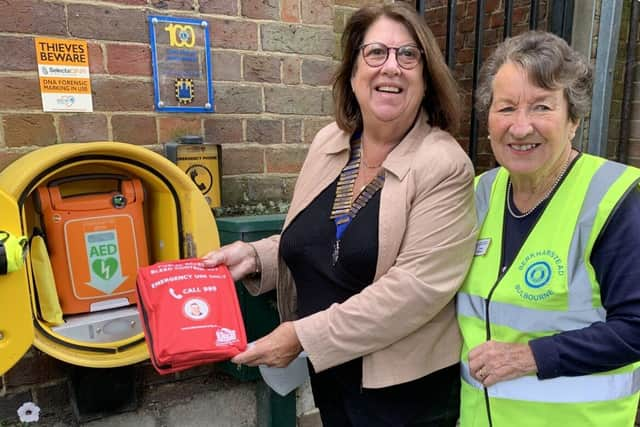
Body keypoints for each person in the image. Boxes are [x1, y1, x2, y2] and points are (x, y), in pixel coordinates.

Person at [203, 3, 477, 426]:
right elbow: (327, 240)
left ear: (426, 80)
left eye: (408, 55)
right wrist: (257, 256)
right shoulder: (331, 143)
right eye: (376, 53)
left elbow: (414, 290)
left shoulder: (444, 164)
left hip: (403, 394)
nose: (392, 67)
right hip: (332, 372)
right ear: (352, 72)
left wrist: (301, 336)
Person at [457, 31, 640, 427]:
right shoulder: (480, 194)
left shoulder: (612, 198)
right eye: (506, 108)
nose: (520, 128)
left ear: (573, 119)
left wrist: (529, 356)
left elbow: (635, 328)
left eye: (541, 107)